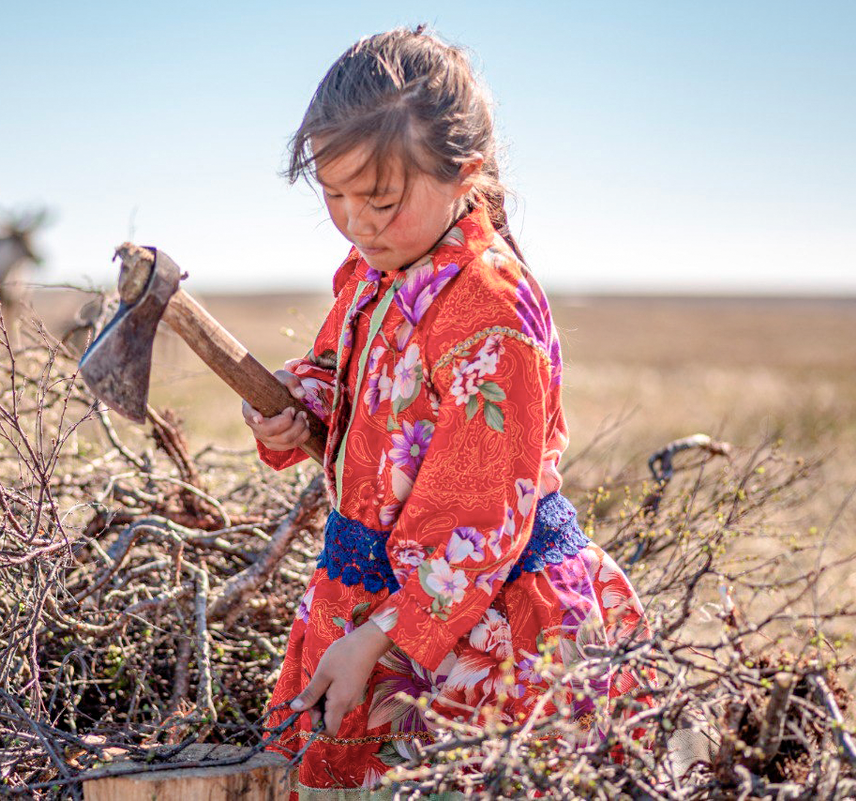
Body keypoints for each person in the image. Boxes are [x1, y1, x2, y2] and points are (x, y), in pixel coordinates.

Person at [243, 27, 650, 797]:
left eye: (380, 199)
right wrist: (297, 405)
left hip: (478, 625)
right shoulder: (378, 269)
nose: (357, 222)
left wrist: (380, 637)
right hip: (373, 596)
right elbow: (345, 374)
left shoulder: (490, 309)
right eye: (334, 195)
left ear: (464, 173)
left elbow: (481, 515)